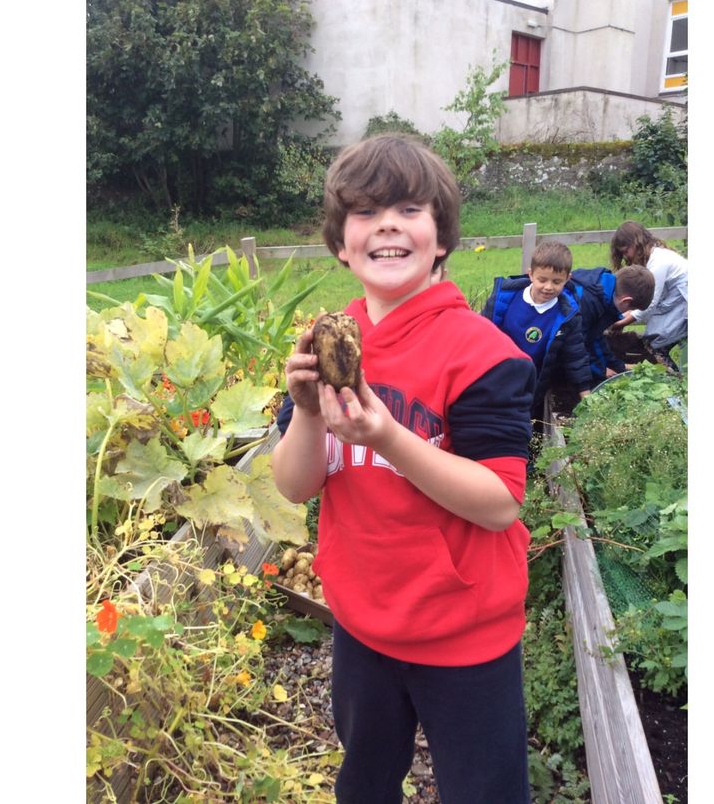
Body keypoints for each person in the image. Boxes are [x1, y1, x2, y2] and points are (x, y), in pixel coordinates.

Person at [271, 134, 536, 804]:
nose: (387, 223)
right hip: (363, 624)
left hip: (465, 634)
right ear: (341, 242)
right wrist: (306, 412)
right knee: (363, 784)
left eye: (410, 209)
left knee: (486, 792)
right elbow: (295, 484)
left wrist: (387, 437)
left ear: (440, 237)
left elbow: (499, 500)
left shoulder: (483, 354)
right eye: (365, 212)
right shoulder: (331, 340)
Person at [480, 241, 591, 420]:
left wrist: (585, 393)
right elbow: (481, 336)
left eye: (556, 282)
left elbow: (575, 355)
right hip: (496, 377)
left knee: (519, 426)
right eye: (542, 280)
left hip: (531, 385)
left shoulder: (567, 315)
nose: (548, 287)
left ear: (567, 279)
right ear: (530, 274)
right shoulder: (505, 299)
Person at [607, 220, 688, 369]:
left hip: (684, 305)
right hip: (675, 304)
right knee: (653, 344)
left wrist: (618, 323)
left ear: (637, 243)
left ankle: (676, 384)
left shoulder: (659, 263)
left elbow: (648, 305)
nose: (626, 256)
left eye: (626, 251)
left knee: (655, 345)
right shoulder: (653, 258)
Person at [569, 264, 655, 387]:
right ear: (626, 301)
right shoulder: (586, 303)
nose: (626, 313)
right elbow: (577, 346)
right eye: (631, 308)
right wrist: (600, 370)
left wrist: (616, 365)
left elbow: (595, 337)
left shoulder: (606, 295)